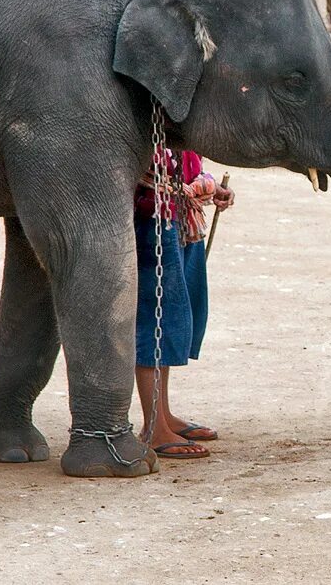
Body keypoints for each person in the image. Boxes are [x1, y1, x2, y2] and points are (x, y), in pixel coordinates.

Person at [133, 148, 234, 459]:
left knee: (172, 317)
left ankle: (163, 414)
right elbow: (149, 176)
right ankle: (153, 427)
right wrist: (194, 189)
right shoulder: (146, 113)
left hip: (181, 218)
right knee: (154, 319)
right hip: (153, 220)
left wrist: (208, 186)